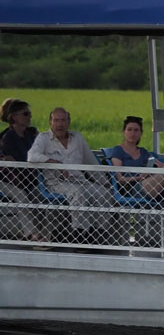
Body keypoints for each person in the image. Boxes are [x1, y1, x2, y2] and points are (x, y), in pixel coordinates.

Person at [27, 106, 112, 240]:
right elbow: (31, 156)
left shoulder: (77, 137)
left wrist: (104, 182)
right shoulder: (43, 138)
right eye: (56, 120)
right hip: (56, 182)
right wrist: (52, 162)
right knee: (77, 192)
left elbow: (90, 161)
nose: (60, 124)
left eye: (63, 120)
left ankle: (98, 233)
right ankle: (80, 234)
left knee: (104, 194)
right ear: (50, 122)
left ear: (68, 122)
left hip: (79, 180)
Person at [108, 116, 164, 211]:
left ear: (141, 133)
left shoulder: (143, 152)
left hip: (148, 185)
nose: (132, 133)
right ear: (124, 132)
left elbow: (160, 164)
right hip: (131, 189)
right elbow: (119, 178)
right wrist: (139, 177)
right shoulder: (118, 150)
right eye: (129, 130)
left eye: (136, 130)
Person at [0, 98, 40, 240]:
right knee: (20, 196)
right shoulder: (7, 138)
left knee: (41, 195)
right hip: (8, 180)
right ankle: (30, 233)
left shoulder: (31, 134)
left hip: (27, 178)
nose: (29, 116)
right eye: (25, 114)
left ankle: (51, 230)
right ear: (13, 117)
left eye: (29, 114)